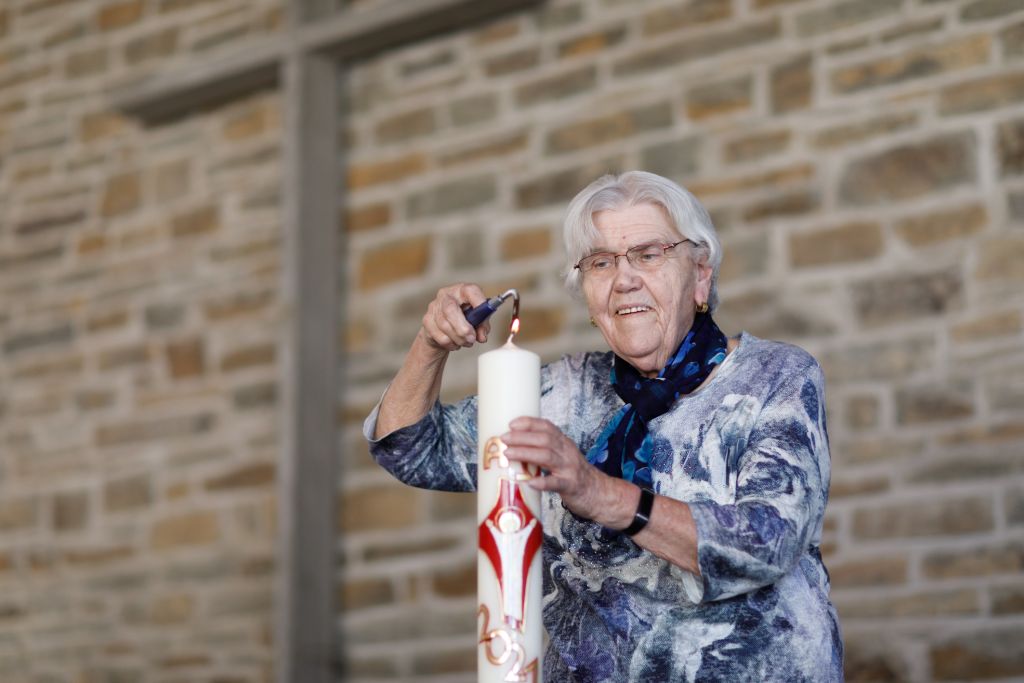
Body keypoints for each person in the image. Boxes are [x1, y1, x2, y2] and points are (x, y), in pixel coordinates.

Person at [363, 171, 844, 682]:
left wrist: (599, 494)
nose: (624, 278)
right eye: (601, 262)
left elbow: (767, 541)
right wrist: (430, 344)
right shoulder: (560, 393)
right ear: (588, 295)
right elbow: (410, 449)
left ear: (701, 275)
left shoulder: (774, 378)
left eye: (649, 253)